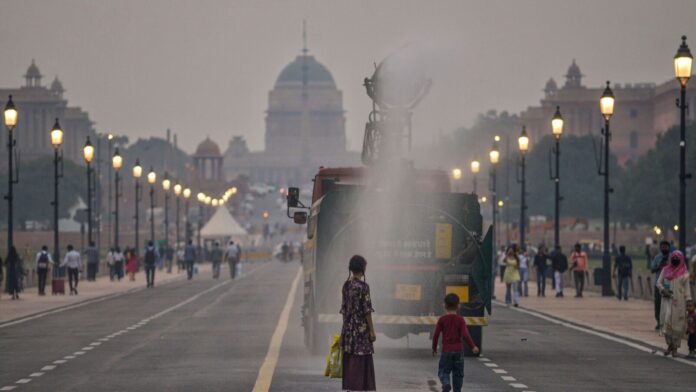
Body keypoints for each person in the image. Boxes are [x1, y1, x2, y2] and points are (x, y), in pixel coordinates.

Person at [340, 255, 376, 392]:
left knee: (350, 358)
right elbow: (367, 311)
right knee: (361, 360)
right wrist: (372, 331)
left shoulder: (346, 285)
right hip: (361, 330)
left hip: (348, 329)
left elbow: (343, 309)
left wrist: (346, 328)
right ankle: (360, 388)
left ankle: (350, 387)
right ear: (363, 268)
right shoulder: (363, 287)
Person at [432, 293, 479, 392]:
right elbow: (466, 335)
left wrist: (434, 348)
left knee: (444, 371)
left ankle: (446, 383)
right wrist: (473, 346)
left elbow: (436, 335)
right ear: (459, 306)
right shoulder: (460, 320)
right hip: (458, 351)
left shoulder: (442, 320)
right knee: (458, 374)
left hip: (446, 351)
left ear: (444, 306)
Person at [657, 250, 692, 357]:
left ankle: (675, 347)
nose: (675, 260)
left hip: (679, 302)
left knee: (677, 325)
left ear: (681, 259)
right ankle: (670, 345)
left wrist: (689, 301)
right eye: (673, 257)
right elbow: (658, 283)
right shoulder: (665, 270)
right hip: (667, 301)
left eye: (677, 258)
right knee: (666, 322)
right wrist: (663, 290)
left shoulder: (685, 274)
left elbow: (687, 290)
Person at [651, 241, 671, 330]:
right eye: (663, 247)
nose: (664, 248)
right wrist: (659, 266)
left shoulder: (672, 257)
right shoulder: (657, 258)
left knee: (669, 304)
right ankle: (659, 321)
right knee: (658, 304)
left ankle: (668, 322)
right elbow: (652, 270)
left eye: (666, 247)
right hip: (659, 285)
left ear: (669, 248)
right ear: (660, 248)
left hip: (670, 284)